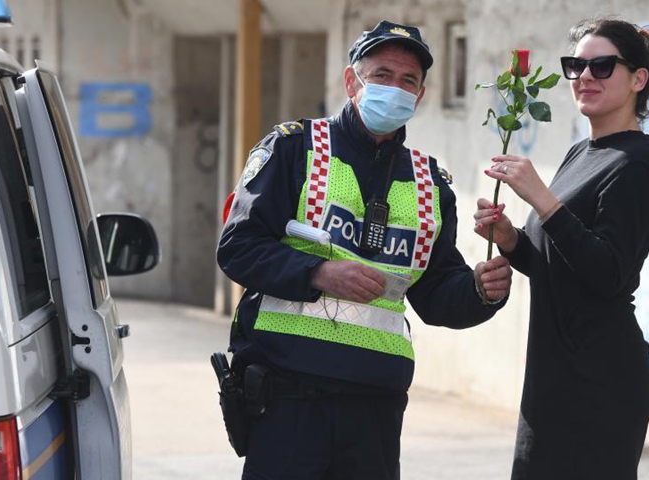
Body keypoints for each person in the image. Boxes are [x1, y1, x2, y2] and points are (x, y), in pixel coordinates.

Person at [218, 20, 513, 480]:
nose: (394, 89)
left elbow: (436, 294)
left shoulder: (430, 183)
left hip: (375, 406)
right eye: (381, 75)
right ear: (351, 80)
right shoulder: (294, 148)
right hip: (287, 397)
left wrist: (481, 291)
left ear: (420, 95)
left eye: (408, 81)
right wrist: (317, 272)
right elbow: (237, 247)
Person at [473, 17, 649, 480]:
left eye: (601, 66)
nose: (584, 77)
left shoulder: (638, 164)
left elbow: (608, 273)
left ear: (638, 79)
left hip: (600, 381)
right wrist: (511, 240)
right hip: (553, 372)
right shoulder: (582, 153)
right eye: (575, 66)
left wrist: (541, 197)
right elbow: (557, 263)